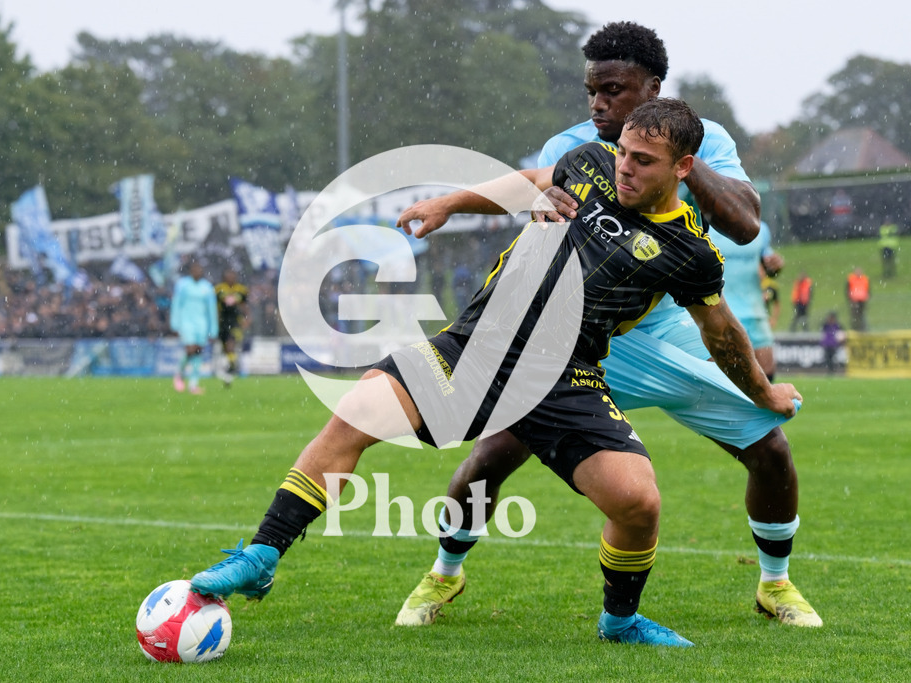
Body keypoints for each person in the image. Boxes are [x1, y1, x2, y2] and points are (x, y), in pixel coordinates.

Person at [188, 99, 801, 649]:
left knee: (639, 503)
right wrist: (447, 202)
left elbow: (723, 334)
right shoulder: (588, 164)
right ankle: (262, 553)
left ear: (683, 169)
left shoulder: (690, 252)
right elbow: (530, 180)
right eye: (623, 153)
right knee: (354, 415)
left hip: (567, 379)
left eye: (643, 161)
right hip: (472, 349)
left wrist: (766, 391)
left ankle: (619, 621)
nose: (625, 167)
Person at [394, 22, 821, 630]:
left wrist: (676, 153)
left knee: (770, 445)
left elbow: (746, 224)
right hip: (584, 339)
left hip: (672, 328)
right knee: (497, 452)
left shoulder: (708, 140)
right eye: (592, 90)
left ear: (651, 88)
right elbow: (546, 223)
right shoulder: (568, 146)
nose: (598, 104)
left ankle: (775, 585)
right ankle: (444, 570)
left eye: (614, 91)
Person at [710, 221, 782, 380]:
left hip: (754, 312)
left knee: (767, 374)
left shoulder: (760, 228)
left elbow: (768, 266)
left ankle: (757, 405)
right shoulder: (706, 226)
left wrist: (775, 266)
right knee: (722, 378)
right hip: (721, 312)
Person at [170, 260, 218, 395]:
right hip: (186, 322)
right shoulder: (182, 285)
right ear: (191, 271)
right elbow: (176, 305)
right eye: (195, 269)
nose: (197, 272)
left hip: (202, 324)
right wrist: (175, 324)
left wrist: (213, 329)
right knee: (190, 349)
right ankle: (179, 373)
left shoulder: (207, 287)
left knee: (198, 352)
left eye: (200, 270)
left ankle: (193, 385)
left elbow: (211, 310)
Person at [214, 269, 249, 387]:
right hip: (222, 323)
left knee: (230, 344)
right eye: (228, 276)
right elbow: (225, 301)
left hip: (235, 322)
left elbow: (244, 306)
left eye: (233, 276)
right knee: (226, 350)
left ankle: (233, 366)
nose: (231, 278)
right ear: (224, 277)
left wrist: (248, 319)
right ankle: (230, 372)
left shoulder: (241, 289)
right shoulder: (219, 288)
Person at [846, 267, 869, 332]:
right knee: (854, 315)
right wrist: (850, 298)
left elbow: (867, 289)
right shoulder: (851, 279)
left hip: (862, 300)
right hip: (854, 300)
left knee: (861, 315)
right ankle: (855, 328)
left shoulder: (865, 279)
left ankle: (862, 329)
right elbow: (848, 289)